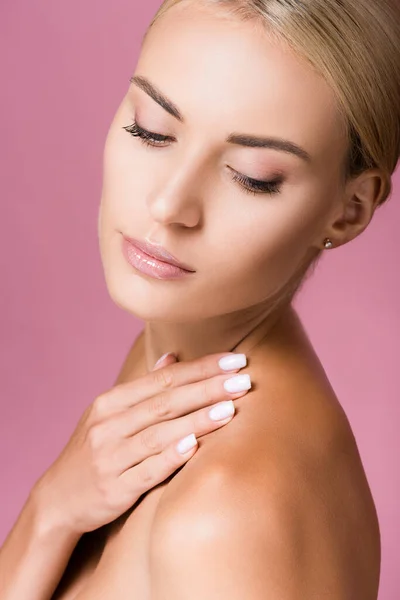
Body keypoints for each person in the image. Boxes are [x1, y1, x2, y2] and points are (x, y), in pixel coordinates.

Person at [1, 0, 399, 598]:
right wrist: (50, 510)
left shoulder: (230, 513)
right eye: (151, 129)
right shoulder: (173, 364)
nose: (169, 205)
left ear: (349, 210)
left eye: (252, 176)